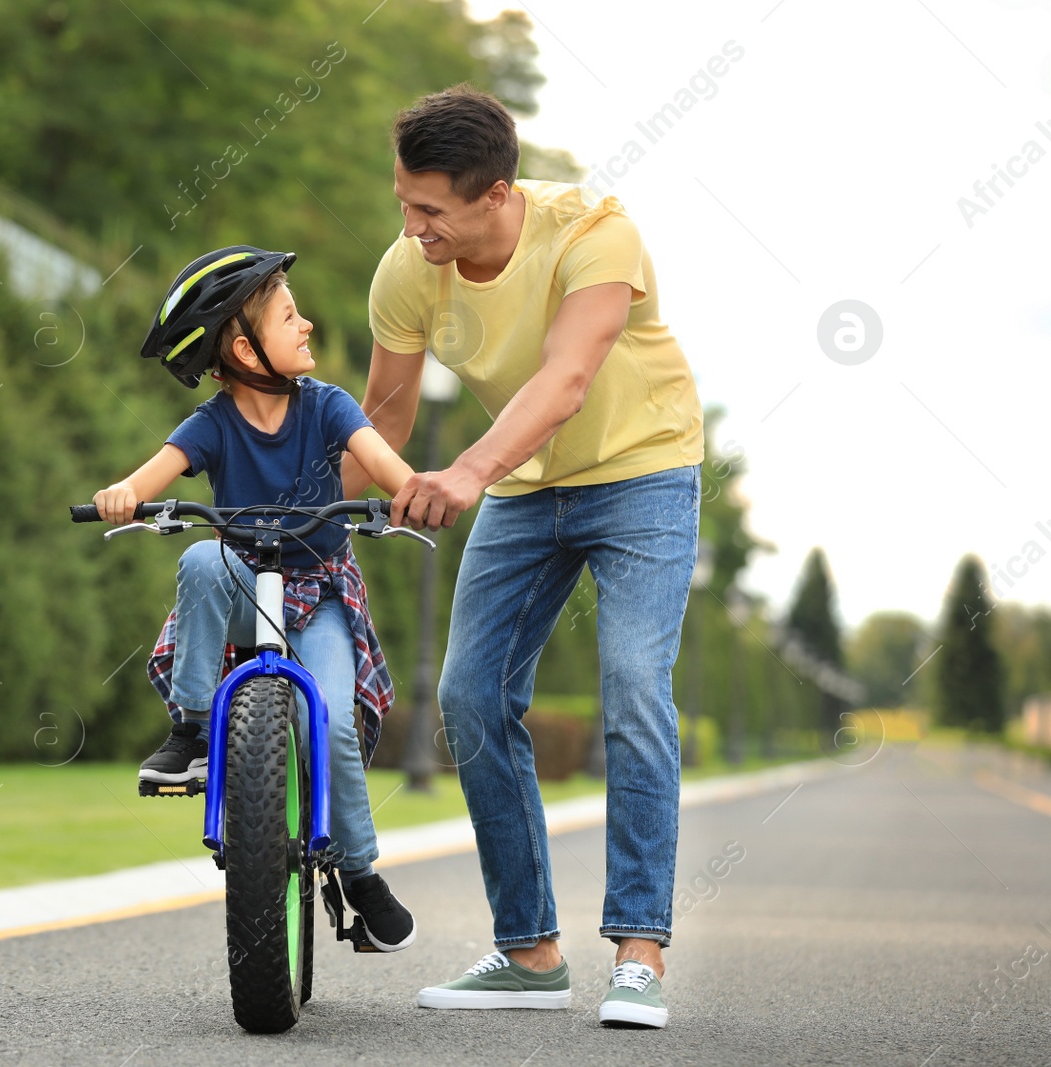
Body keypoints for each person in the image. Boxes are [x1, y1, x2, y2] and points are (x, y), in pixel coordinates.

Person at [354, 86, 704, 1027]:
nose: (412, 226)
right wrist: (297, 518)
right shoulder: (407, 270)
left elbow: (568, 374)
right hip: (523, 488)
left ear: (497, 194)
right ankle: (529, 952)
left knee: (632, 682)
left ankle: (638, 951)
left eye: (431, 209)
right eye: (403, 201)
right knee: (470, 695)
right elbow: (380, 421)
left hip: (643, 474)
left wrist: (466, 469)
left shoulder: (595, 230)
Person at [93, 246, 418, 951]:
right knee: (202, 557)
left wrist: (412, 489)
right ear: (244, 348)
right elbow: (151, 477)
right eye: (290, 315)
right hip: (248, 586)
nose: (307, 326)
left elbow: (384, 460)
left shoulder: (327, 406)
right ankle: (192, 729)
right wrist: (124, 496)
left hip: (322, 594)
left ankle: (360, 873)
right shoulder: (212, 424)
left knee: (327, 722)